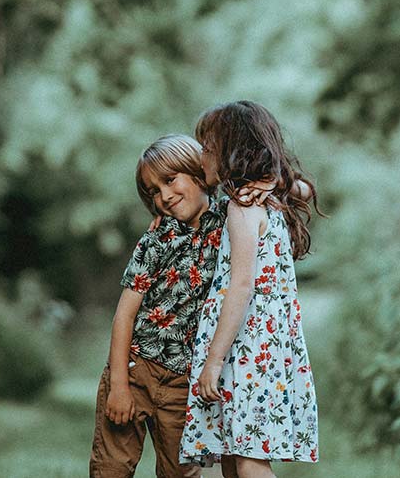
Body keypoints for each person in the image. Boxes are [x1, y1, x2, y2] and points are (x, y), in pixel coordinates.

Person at [89, 134, 280, 478]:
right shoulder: (157, 238)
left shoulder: (233, 217)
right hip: (136, 370)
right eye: (153, 192)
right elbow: (124, 315)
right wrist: (118, 384)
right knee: (110, 468)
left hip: (185, 383)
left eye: (169, 180)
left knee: (180, 473)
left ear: (197, 170)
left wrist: (266, 183)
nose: (164, 196)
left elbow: (295, 192)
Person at [179, 101, 320, 478]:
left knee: (248, 461)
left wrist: (213, 361)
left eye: (207, 149)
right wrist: (275, 180)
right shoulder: (270, 199)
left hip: (246, 351)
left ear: (231, 154)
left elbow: (240, 287)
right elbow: (305, 188)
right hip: (265, 349)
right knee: (234, 453)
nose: (201, 158)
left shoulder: (243, 208)